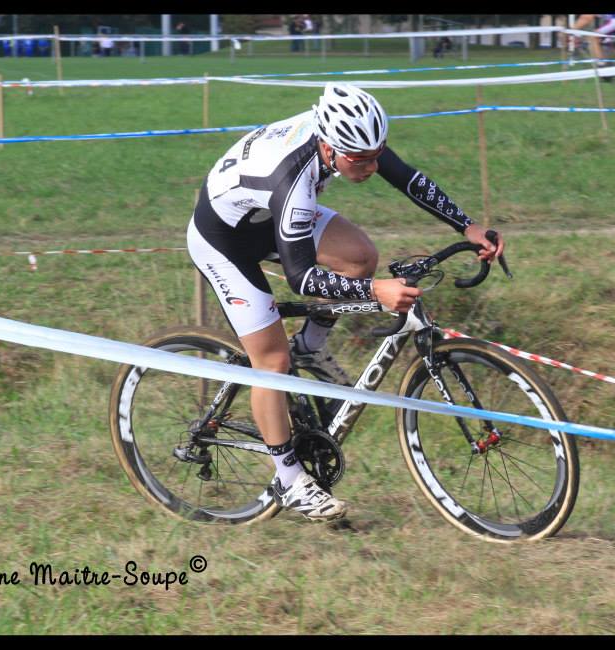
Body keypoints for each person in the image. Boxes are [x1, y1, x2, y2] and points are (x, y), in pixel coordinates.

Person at [186, 83, 504, 521]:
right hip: (224, 241)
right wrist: (379, 291)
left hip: (269, 217)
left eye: (376, 153)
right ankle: (288, 478)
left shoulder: (351, 141)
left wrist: (467, 227)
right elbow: (301, 278)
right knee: (272, 362)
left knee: (360, 258)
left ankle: (311, 348)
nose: (371, 165)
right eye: (360, 159)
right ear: (328, 145)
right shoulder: (295, 177)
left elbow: (407, 177)